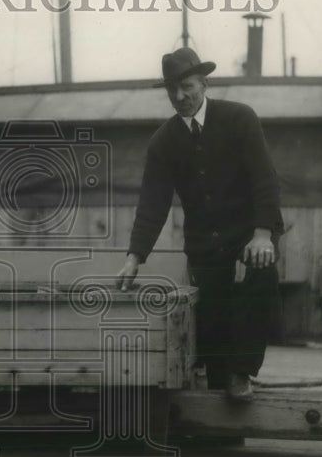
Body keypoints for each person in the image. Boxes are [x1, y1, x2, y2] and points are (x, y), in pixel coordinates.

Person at [116, 48, 283, 402]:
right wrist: (134, 257)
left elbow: (265, 180)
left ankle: (242, 372)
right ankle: (221, 399)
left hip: (250, 232)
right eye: (172, 90)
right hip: (205, 240)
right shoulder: (163, 142)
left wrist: (263, 234)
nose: (180, 97)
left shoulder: (240, 118)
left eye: (188, 87)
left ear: (204, 83)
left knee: (261, 277)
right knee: (209, 310)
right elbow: (152, 204)